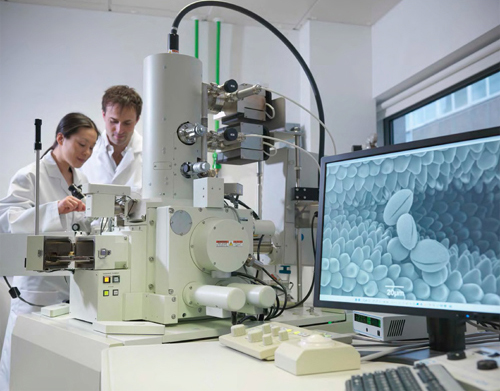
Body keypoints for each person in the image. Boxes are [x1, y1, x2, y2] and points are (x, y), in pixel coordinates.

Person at [0, 112, 99, 390]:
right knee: (22, 372)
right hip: (36, 293)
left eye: (91, 147)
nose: (87, 152)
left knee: (56, 374)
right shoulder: (30, 174)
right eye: (82, 144)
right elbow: (8, 220)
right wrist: (54, 209)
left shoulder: (81, 180)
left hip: (71, 293)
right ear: (60, 138)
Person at [79, 85, 143, 197]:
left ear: (137, 120)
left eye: (127, 123)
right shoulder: (83, 152)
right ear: (104, 115)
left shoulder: (149, 154)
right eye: (113, 121)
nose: (119, 130)